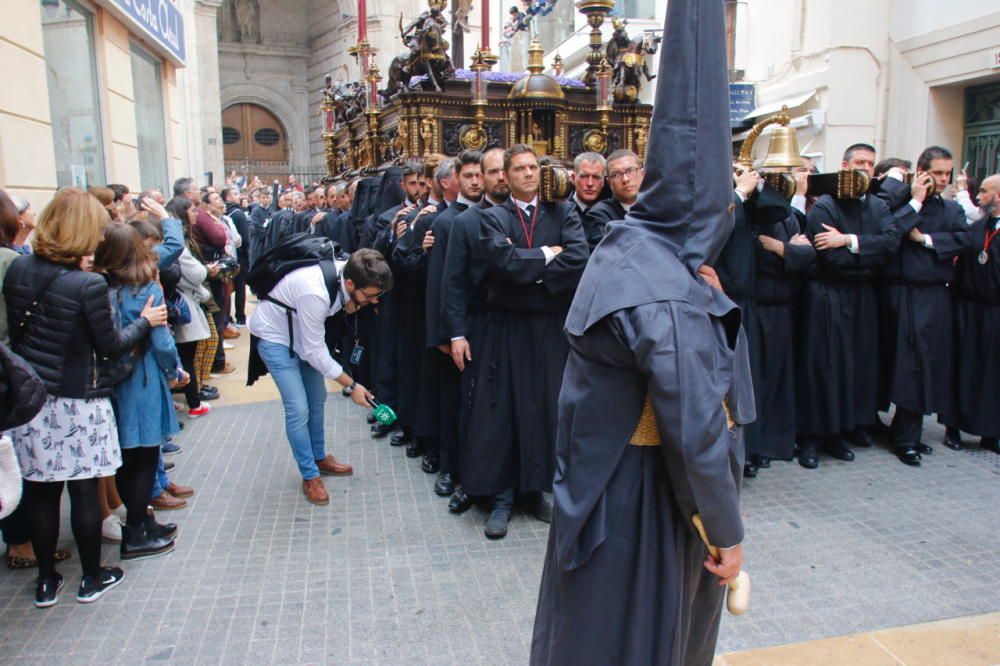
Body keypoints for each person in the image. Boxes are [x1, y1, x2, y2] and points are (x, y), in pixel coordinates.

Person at [532, 0, 753, 660]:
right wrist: (727, 529)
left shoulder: (630, 249)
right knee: (640, 641)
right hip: (643, 503)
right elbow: (694, 423)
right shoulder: (665, 290)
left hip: (605, 486)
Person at [4, 188, 168, 608]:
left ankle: (46, 582)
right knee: (81, 490)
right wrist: (146, 322)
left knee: (42, 492)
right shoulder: (87, 283)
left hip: (31, 398)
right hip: (79, 398)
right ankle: (91, 577)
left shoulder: (19, 271)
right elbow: (111, 345)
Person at [464, 143, 589, 539]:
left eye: (533, 167)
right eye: (518, 169)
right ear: (506, 175)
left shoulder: (562, 211)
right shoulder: (493, 216)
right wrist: (548, 256)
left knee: (543, 408)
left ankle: (535, 491)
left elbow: (579, 258)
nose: (527, 174)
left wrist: (530, 268)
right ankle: (501, 497)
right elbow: (501, 263)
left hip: (549, 328)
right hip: (507, 328)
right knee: (501, 410)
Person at [795, 144, 924, 469]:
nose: (865, 168)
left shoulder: (877, 206)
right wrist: (865, 253)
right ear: (844, 166)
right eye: (859, 162)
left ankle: (839, 432)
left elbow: (891, 244)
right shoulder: (824, 206)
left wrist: (849, 241)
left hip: (862, 297)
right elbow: (832, 259)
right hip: (827, 296)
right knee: (823, 366)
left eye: (870, 163)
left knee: (855, 366)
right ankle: (812, 437)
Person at [247, 249, 392, 505]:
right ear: (350, 283)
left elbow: (312, 345)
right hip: (275, 338)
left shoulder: (348, 274)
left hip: (300, 335)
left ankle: (319, 456)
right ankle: (309, 474)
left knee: (317, 398)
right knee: (298, 408)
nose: (374, 301)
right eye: (369, 296)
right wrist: (353, 385)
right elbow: (314, 351)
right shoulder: (315, 292)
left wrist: (349, 305)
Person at [94, 223, 185, 559]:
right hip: (143, 377)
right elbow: (161, 342)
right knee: (145, 456)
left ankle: (143, 522)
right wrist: (174, 370)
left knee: (128, 458)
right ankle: (136, 532)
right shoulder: (146, 288)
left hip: (114, 380)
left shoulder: (101, 287)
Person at [881, 146, 970, 466]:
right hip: (901, 294)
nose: (944, 179)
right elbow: (891, 230)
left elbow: (964, 238)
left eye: (948, 173)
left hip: (934, 297)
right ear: (921, 171)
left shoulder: (950, 209)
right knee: (906, 366)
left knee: (925, 365)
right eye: (937, 173)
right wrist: (915, 201)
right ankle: (902, 435)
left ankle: (908, 434)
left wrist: (925, 241)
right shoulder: (903, 201)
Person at [442, 147, 509, 513]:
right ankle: (471, 482)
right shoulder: (464, 223)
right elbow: (453, 283)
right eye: (494, 171)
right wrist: (456, 333)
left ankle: (516, 487)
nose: (500, 177)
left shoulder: (519, 217)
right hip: (478, 329)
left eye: (505, 171)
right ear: (481, 176)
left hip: (515, 329)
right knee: (475, 408)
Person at [414, 150, 482, 493]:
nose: (474, 181)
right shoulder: (444, 221)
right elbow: (439, 285)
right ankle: (450, 468)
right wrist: (441, 334)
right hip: (455, 331)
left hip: (487, 328)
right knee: (452, 403)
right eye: (467, 175)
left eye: (478, 175)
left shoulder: (493, 215)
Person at [942, 174, 1000, 455]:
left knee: (993, 374)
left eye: (985, 192)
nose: (978, 196)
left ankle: (992, 432)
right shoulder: (976, 227)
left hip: (996, 311)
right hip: (968, 309)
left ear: (998, 197)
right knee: (962, 367)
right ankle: (953, 427)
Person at [582, 149, 644, 249]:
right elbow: (611, 254)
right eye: (616, 175)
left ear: (642, 174)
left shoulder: (656, 207)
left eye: (631, 171)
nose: (625, 179)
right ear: (609, 182)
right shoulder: (599, 215)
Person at [222, 187, 251, 327]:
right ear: (227, 197)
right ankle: (240, 317)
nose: (238, 196)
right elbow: (244, 238)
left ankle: (228, 318)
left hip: (227, 257)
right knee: (240, 287)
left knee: (227, 288)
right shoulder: (238, 213)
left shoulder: (225, 213)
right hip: (239, 256)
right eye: (234, 194)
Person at [570, 152, 606, 219]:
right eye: (584, 176)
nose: (590, 183)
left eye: (596, 177)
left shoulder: (610, 213)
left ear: (603, 181)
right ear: (573, 178)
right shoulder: (562, 212)